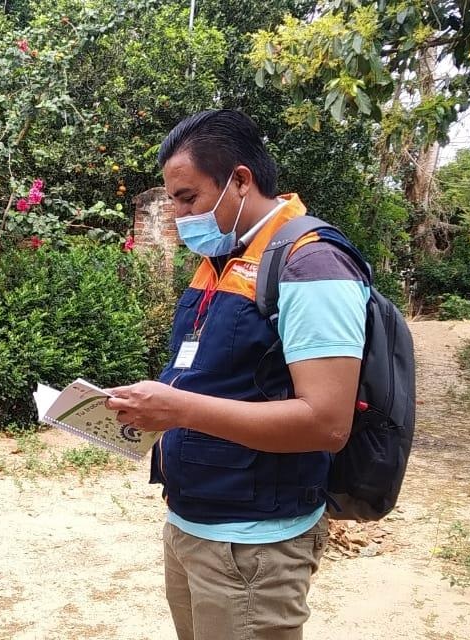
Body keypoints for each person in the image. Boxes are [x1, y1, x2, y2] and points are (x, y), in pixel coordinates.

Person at [106, 109, 370, 640]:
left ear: (241, 181)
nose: (180, 217)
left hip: (252, 545)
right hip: (191, 523)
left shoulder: (310, 264)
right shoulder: (224, 258)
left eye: (188, 198)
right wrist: (147, 407)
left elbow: (326, 423)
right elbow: (211, 377)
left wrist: (178, 409)